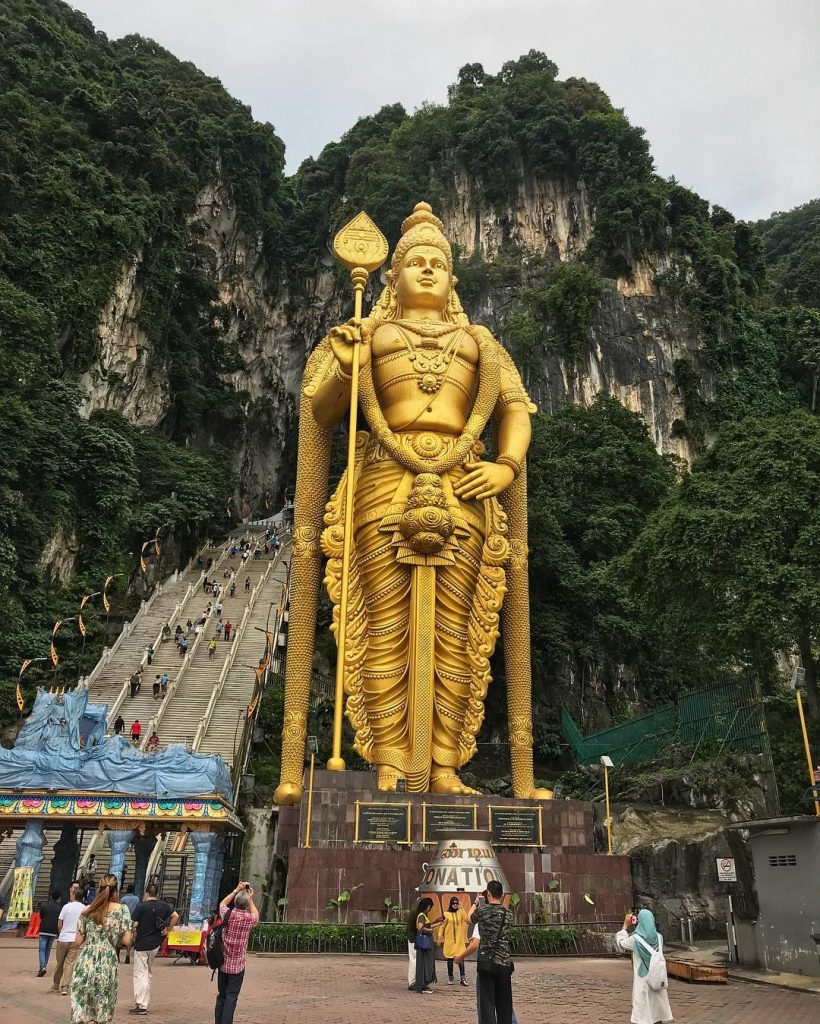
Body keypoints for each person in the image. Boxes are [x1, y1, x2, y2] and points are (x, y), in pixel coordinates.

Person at [70, 873, 132, 1024]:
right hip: (107, 960)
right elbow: (126, 940)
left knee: (81, 1000)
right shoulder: (122, 910)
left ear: (99, 888)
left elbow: (78, 941)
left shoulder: (88, 909)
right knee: (103, 1002)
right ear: (116, 890)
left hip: (87, 958)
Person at [468, 880, 514, 1024]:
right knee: (505, 1005)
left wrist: (476, 903)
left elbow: (467, 919)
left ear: (488, 893)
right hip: (505, 963)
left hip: (487, 963)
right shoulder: (509, 914)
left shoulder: (482, 910)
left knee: (487, 1005)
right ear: (501, 894)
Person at [616, 909, 673, 1024]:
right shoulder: (659, 937)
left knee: (643, 1010)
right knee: (657, 1009)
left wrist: (625, 927)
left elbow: (622, 943)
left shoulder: (635, 939)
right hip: (657, 977)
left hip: (643, 980)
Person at [130, 882, 178, 1016]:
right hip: (156, 942)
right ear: (156, 893)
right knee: (147, 972)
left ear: (146, 893)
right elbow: (176, 916)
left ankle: (141, 1003)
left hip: (142, 943)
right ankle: (143, 1001)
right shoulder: (163, 905)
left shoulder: (141, 906)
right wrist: (168, 929)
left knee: (140, 973)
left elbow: (132, 922)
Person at [214, 881, 259, 1024]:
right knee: (231, 997)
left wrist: (236, 890)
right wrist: (251, 898)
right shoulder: (249, 920)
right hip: (238, 966)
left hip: (223, 963)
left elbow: (222, 903)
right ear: (245, 905)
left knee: (221, 995)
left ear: (235, 902)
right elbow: (256, 915)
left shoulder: (228, 914)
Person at [52, 886, 85, 995]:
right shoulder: (84, 908)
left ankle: (56, 984)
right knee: (70, 963)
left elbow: (59, 923)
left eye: (71, 894)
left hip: (64, 937)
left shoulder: (66, 907)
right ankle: (65, 987)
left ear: (74, 895)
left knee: (60, 962)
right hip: (75, 938)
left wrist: (62, 931)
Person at [411, 897, 440, 994]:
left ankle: (423, 984)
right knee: (425, 963)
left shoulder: (423, 915)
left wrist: (437, 924)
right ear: (427, 906)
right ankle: (423, 985)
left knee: (425, 962)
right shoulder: (421, 915)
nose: (430, 908)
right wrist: (429, 930)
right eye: (430, 906)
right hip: (425, 942)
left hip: (426, 942)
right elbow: (420, 927)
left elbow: (427, 925)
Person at [439, 895, 469, 985]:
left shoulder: (460, 912)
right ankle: (450, 978)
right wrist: (440, 937)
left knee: (461, 959)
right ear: (450, 904)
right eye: (453, 903)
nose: (455, 905)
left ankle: (463, 978)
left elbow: (466, 918)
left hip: (459, 941)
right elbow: (442, 926)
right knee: (449, 960)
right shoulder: (446, 914)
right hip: (449, 941)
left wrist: (462, 907)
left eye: (456, 903)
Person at [37, 889, 63, 976]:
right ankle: (44, 966)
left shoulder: (44, 906)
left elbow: (41, 916)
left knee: (42, 949)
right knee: (48, 949)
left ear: (51, 897)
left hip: (43, 930)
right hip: (53, 931)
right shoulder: (60, 908)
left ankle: (42, 967)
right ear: (59, 898)